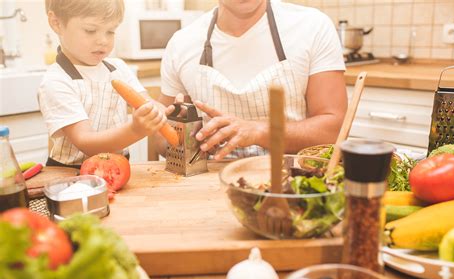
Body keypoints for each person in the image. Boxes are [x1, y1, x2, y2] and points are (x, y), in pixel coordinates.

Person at [158, 0, 347, 160]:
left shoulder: (312, 26)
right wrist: (184, 135)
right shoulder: (181, 43)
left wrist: (258, 131)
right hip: (209, 187)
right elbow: (160, 141)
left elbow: (333, 130)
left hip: (293, 183)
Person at [39, 0, 170, 168]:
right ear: (56, 23)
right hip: (70, 174)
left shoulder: (118, 68)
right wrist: (135, 130)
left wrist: (168, 112)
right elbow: (85, 142)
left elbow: (147, 104)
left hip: (115, 167)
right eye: (90, 30)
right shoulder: (57, 81)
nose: (103, 40)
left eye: (111, 31)